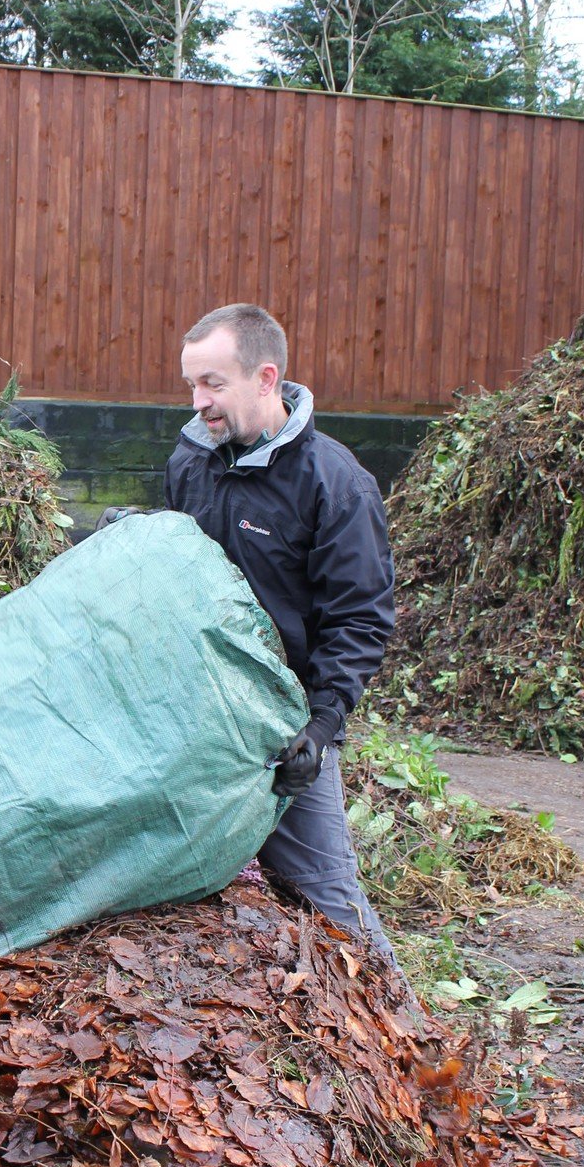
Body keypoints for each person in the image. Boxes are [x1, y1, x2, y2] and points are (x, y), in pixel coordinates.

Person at [163, 302, 397, 963]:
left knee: (323, 898)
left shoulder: (334, 482)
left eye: (213, 383)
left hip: (282, 726)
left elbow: (360, 618)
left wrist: (319, 729)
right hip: (201, 714)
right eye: (191, 384)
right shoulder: (190, 463)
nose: (199, 401)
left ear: (265, 378)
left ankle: (406, 1039)